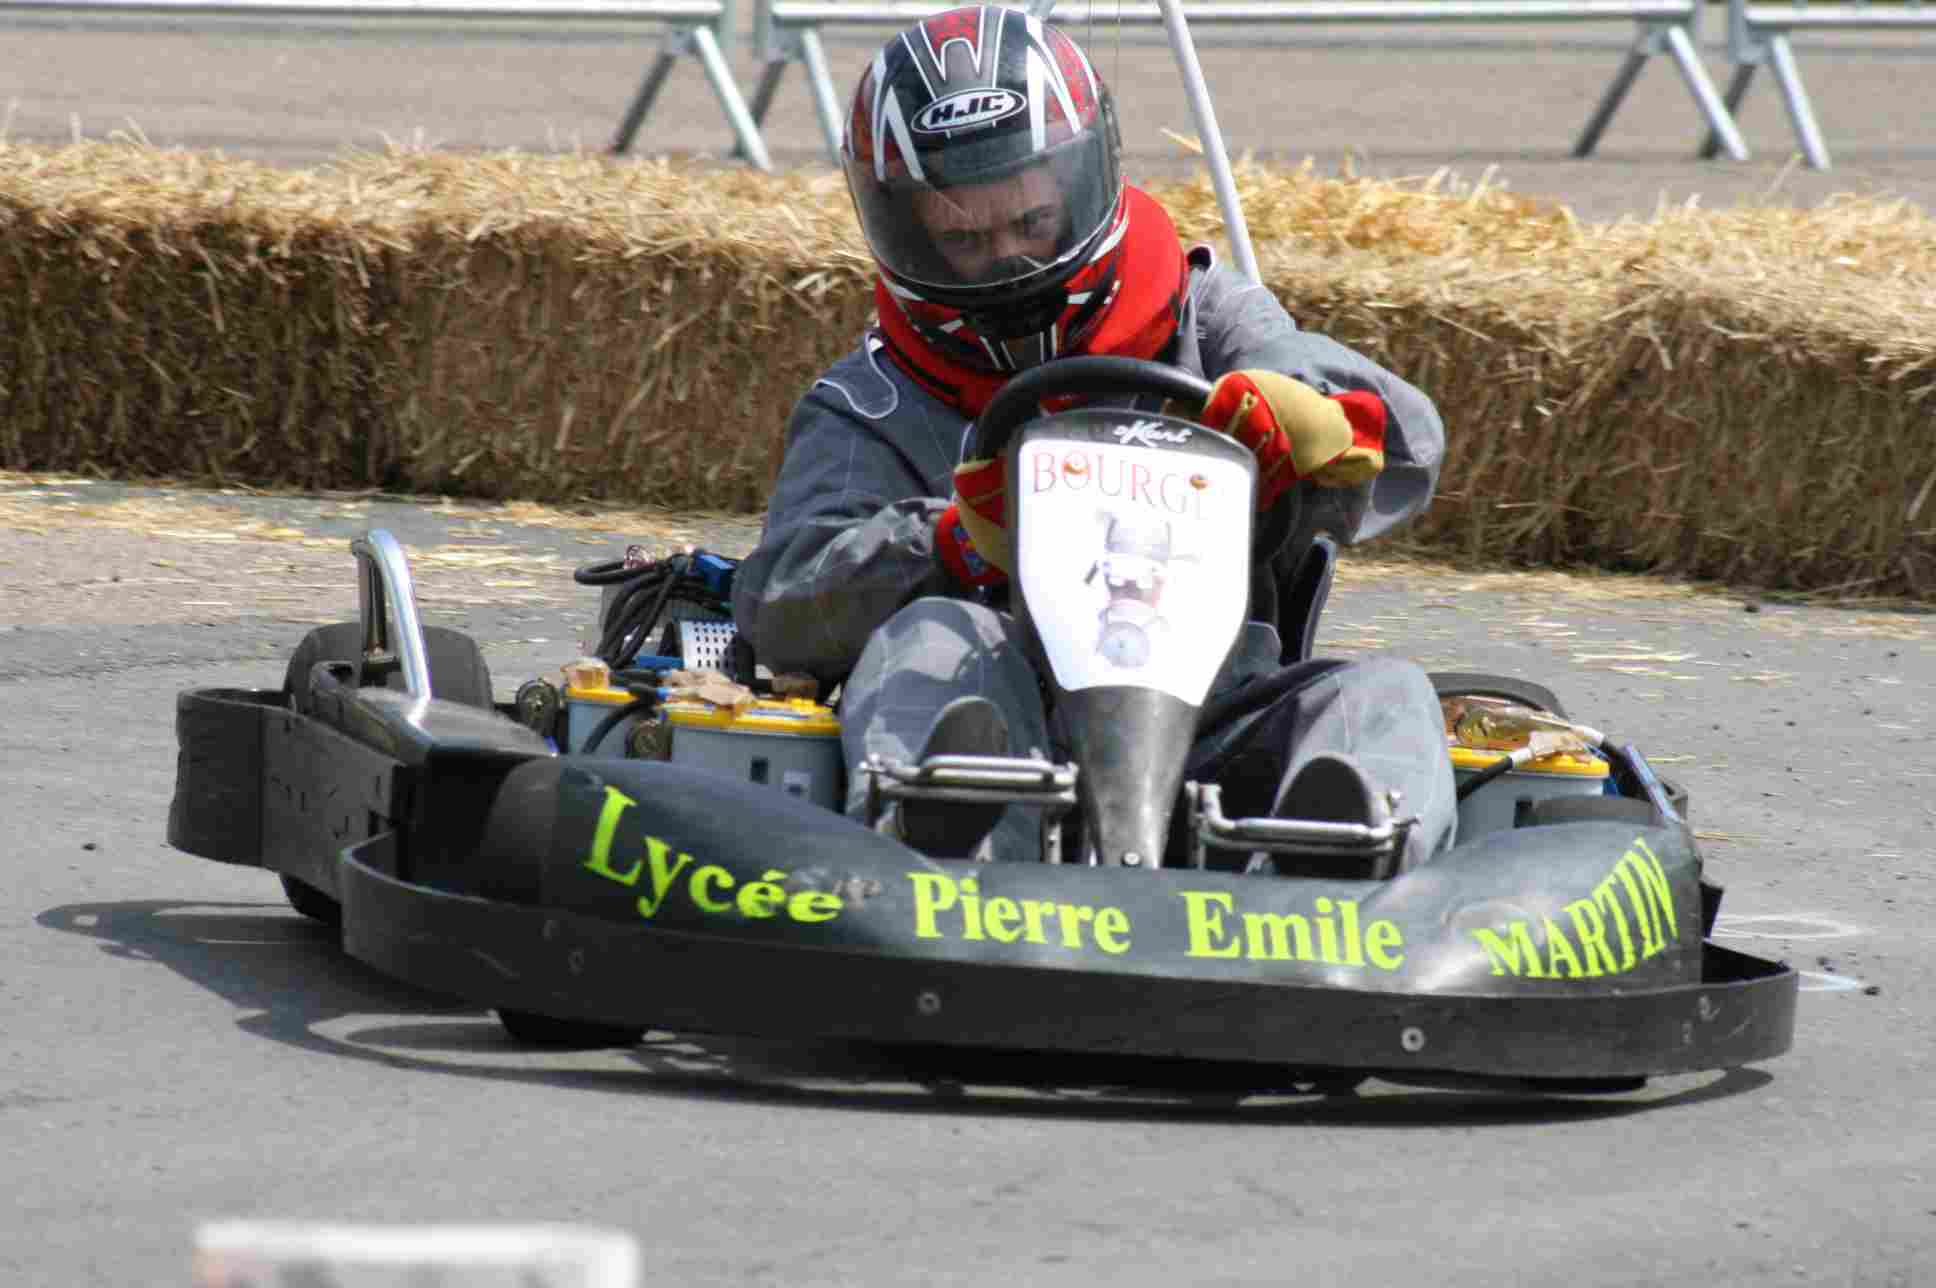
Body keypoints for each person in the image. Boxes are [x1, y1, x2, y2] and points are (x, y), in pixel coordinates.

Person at [731, 5, 1456, 870]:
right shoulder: (876, 400)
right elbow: (779, 602)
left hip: (1217, 717)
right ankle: (953, 833)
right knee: (932, 637)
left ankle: (1336, 872)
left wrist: (1299, 409)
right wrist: (951, 543)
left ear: (1083, 181)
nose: (1004, 257)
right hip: (1005, 708)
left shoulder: (1203, 318)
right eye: (963, 237)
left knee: (1385, 694)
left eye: (1030, 222)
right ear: (903, 228)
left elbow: (1408, 438)